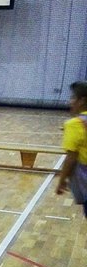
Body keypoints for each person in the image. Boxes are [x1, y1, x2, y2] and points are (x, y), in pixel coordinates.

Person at [56, 80, 87, 218]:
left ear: (82, 101)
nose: (70, 102)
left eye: (73, 97)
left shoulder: (74, 124)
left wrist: (62, 180)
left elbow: (71, 158)